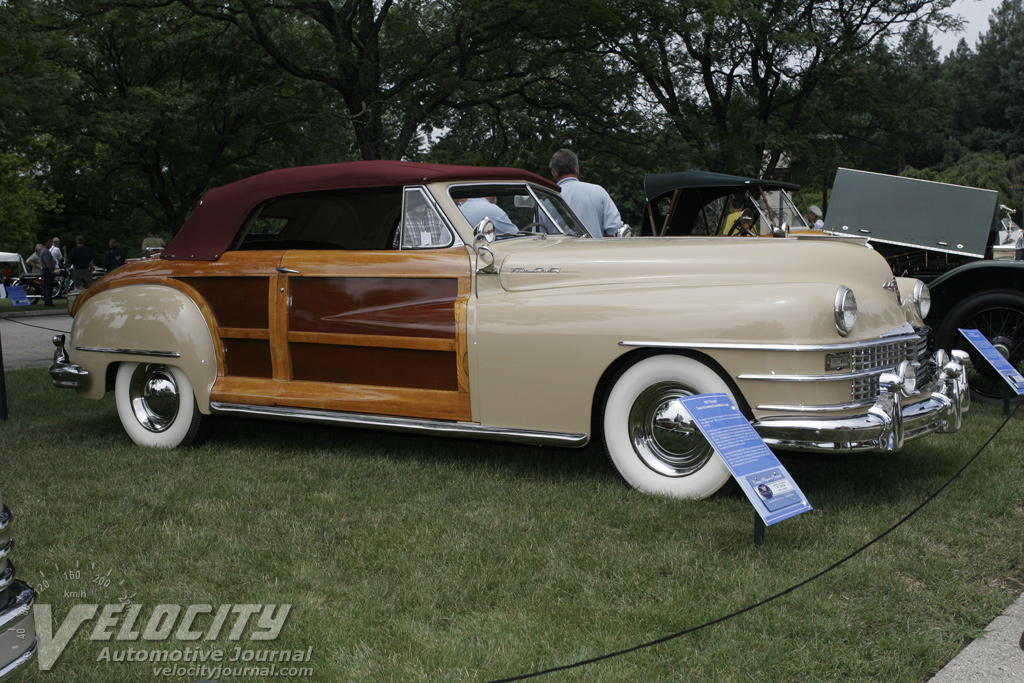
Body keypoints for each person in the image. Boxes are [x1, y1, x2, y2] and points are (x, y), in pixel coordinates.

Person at [549, 148, 622, 238]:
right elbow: (614, 230)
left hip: (557, 251)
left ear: (553, 174)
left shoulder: (545, 198)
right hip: (595, 250)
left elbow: (538, 238)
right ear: (577, 169)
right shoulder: (599, 192)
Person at [39, 239, 56, 306]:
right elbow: (47, 262)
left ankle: (48, 301)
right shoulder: (45, 251)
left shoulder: (45, 251)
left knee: (48, 286)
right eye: (50, 242)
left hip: (46, 270)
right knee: (48, 286)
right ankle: (48, 302)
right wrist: (51, 271)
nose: (51, 243)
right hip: (47, 271)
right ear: (46, 243)